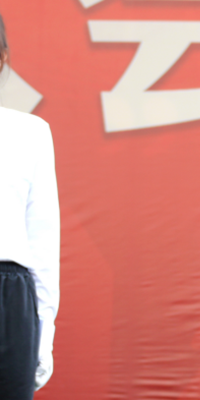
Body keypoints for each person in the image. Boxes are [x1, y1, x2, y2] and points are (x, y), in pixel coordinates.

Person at [0, 13, 60, 399]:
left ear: (2, 58)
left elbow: (42, 242)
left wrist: (43, 333)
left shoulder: (30, 132)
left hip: (8, 299)